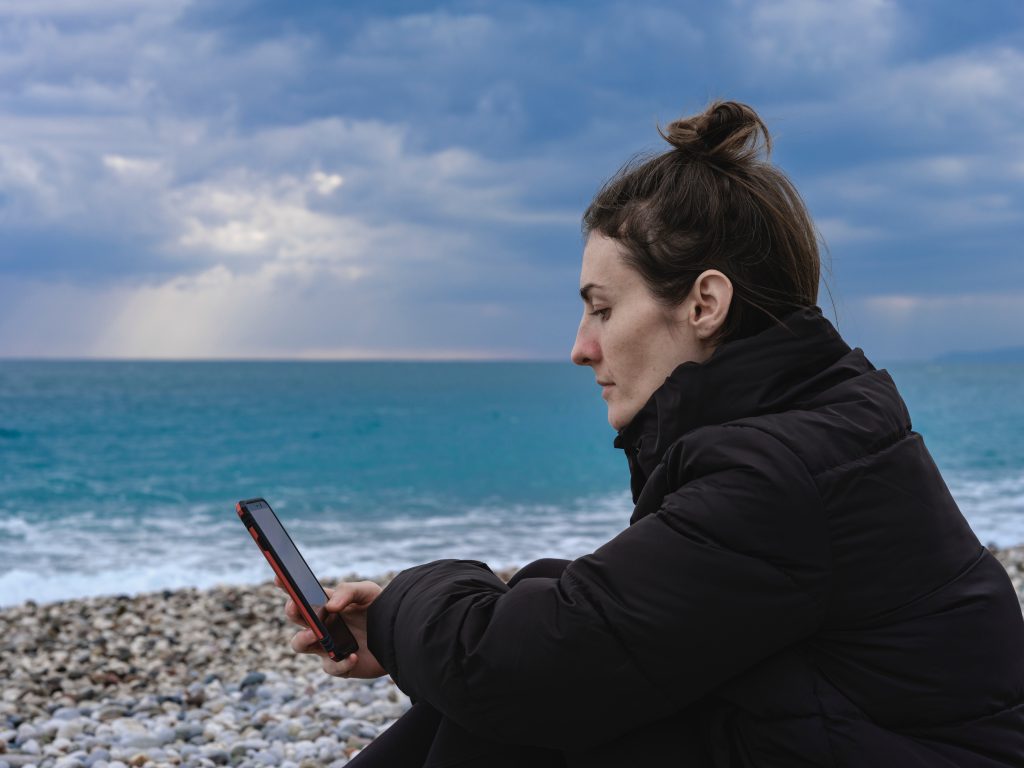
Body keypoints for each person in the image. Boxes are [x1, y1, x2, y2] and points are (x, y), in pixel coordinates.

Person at [278, 101, 1024, 767]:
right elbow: (629, 613)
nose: (580, 347)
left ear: (704, 303)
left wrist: (411, 598)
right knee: (560, 658)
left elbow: (523, 670)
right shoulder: (818, 426)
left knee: (538, 701)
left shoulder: (778, 469)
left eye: (602, 309)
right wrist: (406, 629)